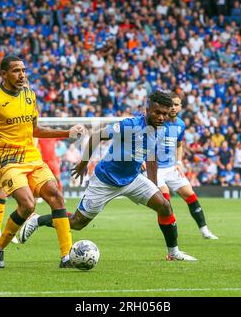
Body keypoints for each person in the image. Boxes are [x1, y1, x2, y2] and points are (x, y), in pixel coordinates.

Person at [19, 90, 197, 261]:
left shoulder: (161, 129)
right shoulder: (130, 125)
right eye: (157, 112)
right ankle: (38, 220)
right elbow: (97, 135)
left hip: (133, 179)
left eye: (164, 114)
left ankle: (173, 253)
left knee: (165, 206)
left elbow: (151, 158)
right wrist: (83, 163)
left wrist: (153, 185)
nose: (161, 117)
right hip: (106, 181)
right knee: (77, 223)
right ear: (147, 110)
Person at [0, 55, 84, 268]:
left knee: (56, 196)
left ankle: (67, 257)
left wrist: (67, 133)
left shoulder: (30, 95)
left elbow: (35, 130)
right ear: (4, 74)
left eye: (24, 70)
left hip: (31, 156)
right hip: (7, 160)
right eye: (16, 71)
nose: (22, 75)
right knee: (27, 204)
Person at [155, 92, 218, 239]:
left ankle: (205, 231)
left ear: (181, 107)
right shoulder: (158, 121)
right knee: (165, 200)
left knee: (190, 195)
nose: (173, 107)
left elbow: (179, 145)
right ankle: (171, 236)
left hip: (171, 167)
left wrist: (179, 162)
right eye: (170, 105)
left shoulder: (181, 124)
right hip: (156, 169)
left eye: (176, 105)